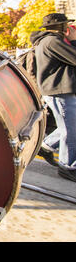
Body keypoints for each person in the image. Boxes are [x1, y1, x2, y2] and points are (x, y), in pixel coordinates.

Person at [31, 13, 76, 182]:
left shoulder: (49, 41)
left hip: (60, 89)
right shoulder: (52, 41)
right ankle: (68, 166)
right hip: (59, 90)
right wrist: (73, 40)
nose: (68, 28)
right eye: (66, 25)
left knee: (71, 126)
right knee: (70, 130)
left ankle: (46, 145)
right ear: (60, 26)